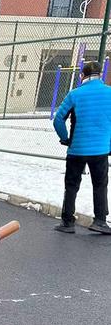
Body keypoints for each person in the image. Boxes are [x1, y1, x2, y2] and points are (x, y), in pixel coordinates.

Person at [53, 60, 111, 235]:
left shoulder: (75, 94)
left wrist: (66, 139)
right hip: (101, 149)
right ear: (100, 75)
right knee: (100, 185)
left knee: (71, 185)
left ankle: (67, 222)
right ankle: (100, 221)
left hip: (77, 149)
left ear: (82, 76)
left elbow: (58, 119)